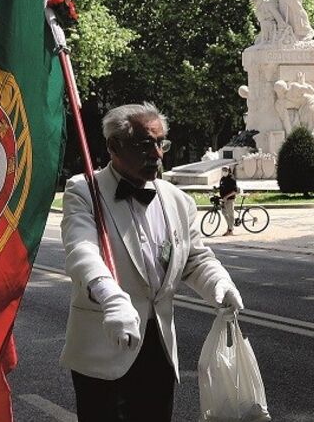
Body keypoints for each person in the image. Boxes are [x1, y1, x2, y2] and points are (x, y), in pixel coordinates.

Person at [61, 103, 243, 422]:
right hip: (104, 346)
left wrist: (219, 283)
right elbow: (82, 251)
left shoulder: (178, 200)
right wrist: (112, 299)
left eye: (161, 143)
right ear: (113, 146)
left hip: (159, 351)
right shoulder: (84, 190)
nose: (157, 154)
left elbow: (196, 259)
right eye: (145, 144)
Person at [218, 166, 238, 236]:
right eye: (223, 170)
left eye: (225, 170)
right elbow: (221, 187)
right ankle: (230, 227)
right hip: (223, 199)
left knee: (230, 214)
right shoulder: (222, 178)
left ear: (229, 171)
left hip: (230, 199)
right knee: (224, 213)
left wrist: (227, 196)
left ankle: (230, 230)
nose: (224, 171)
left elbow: (235, 191)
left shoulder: (232, 179)